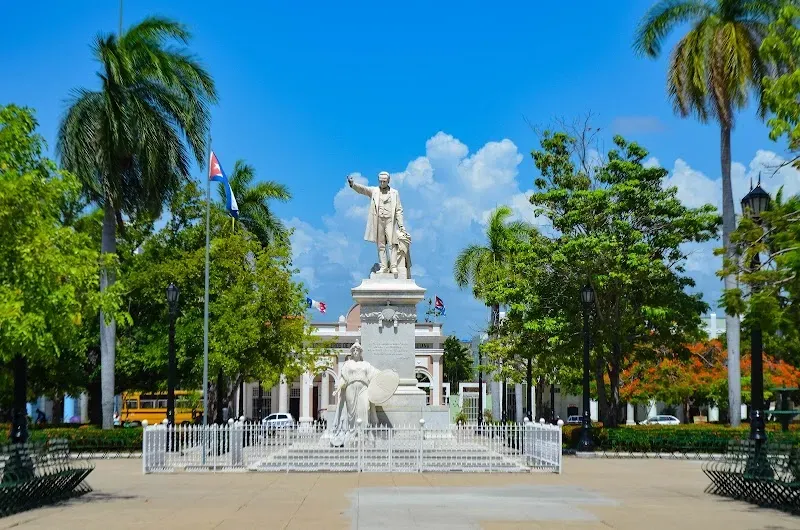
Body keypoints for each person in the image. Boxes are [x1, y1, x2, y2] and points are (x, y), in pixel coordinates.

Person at [347, 172, 406, 275]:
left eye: (384, 181)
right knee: (381, 245)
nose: (382, 183)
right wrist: (353, 184)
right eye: (380, 181)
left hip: (390, 220)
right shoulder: (375, 191)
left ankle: (393, 266)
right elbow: (363, 189)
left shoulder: (394, 193)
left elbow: (399, 209)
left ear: (388, 181)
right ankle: (384, 266)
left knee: (393, 244)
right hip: (378, 220)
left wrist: (401, 225)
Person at [330, 342, 380, 447]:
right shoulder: (348, 364)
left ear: (361, 352)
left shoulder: (366, 364)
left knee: (365, 408)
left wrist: (386, 375)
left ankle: (364, 432)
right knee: (351, 412)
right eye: (354, 350)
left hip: (363, 388)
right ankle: (352, 432)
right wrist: (338, 389)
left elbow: (376, 374)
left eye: (357, 350)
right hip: (350, 387)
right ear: (352, 352)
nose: (356, 352)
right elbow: (343, 378)